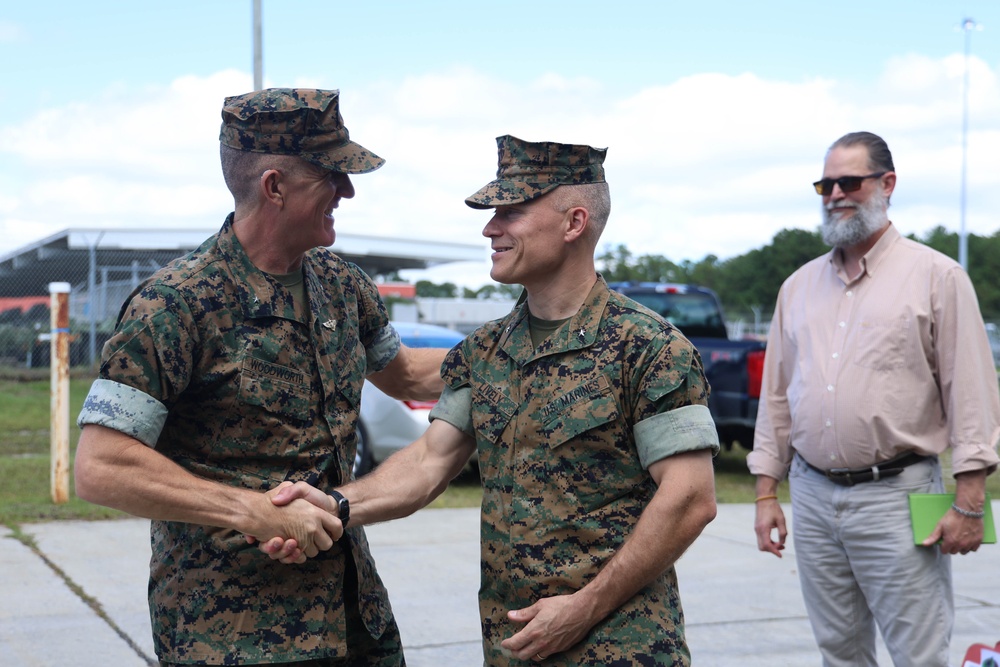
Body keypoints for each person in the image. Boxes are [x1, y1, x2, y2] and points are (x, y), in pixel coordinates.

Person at [260, 135, 720, 666]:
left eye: (513, 211)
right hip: (514, 647)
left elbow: (690, 499)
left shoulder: (649, 348)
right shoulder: (487, 350)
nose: (490, 228)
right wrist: (336, 506)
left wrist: (584, 608)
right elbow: (430, 461)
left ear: (574, 223)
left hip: (619, 646)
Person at [73, 88, 447, 666]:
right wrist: (250, 510)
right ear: (275, 186)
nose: (347, 191)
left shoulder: (342, 287)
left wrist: (520, 348)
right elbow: (101, 466)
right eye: (333, 175)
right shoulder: (177, 305)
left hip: (354, 619)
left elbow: (406, 377)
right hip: (230, 634)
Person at [747, 131, 1000, 666]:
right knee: (838, 651)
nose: (835, 193)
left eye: (849, 181)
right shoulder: (797, 288)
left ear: (886, 184)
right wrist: (767, 492)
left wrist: (970, 502)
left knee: (919, 653)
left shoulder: (937, 277)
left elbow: (972, 393)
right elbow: (777, 399)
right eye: (825, 184)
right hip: (813, 498)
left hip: (900, 496)